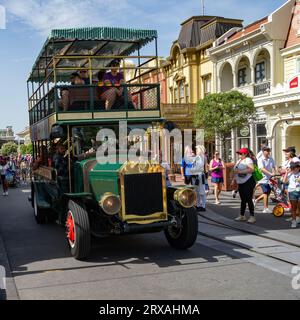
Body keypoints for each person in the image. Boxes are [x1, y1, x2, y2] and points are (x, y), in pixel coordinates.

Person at [232, 148, 256, 223]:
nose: (239, 155)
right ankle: (242, 215)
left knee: (248, 199)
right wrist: (234, 179)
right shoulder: (239, 161)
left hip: (248, 181)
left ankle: (252, 216)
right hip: (241, 182)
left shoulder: (248, 160)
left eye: (240, 153)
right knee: (243, 200)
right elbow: (235, 171)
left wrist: (240, 171)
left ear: (245, 154)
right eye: (238, 153)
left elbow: (252, 169)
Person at [254, 146, 276, 213]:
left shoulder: (271, 158)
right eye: (267, 151)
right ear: (263, 152)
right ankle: (265, 208)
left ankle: (256, 200)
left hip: (270, 179)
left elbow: (273, 167)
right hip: (263, 178)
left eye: (269, 151)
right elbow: (262, 169)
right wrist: (270, 173)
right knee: (266, 192)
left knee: (268, 193)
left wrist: (274, 173)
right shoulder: (261, 159)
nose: (268, 152)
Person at [283, 161, 300, 228]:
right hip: (292, 192)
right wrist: (286, 173)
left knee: (299, 207)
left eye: (295, 168)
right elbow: (284, 181)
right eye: (292, 168)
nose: (294, 169)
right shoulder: (290, 174)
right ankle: (293, 221)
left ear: (298, 168)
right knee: (293, 208)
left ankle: (298, 218)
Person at [194, 145, 207, 211]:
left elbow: (202, 167)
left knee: (202, 191)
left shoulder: (202, 157)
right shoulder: (198, 157)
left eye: (197, 149)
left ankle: (203, 205)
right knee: (197, 191)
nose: (196, 151)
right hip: (197, 175)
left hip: (200, 175)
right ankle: (199, 205)